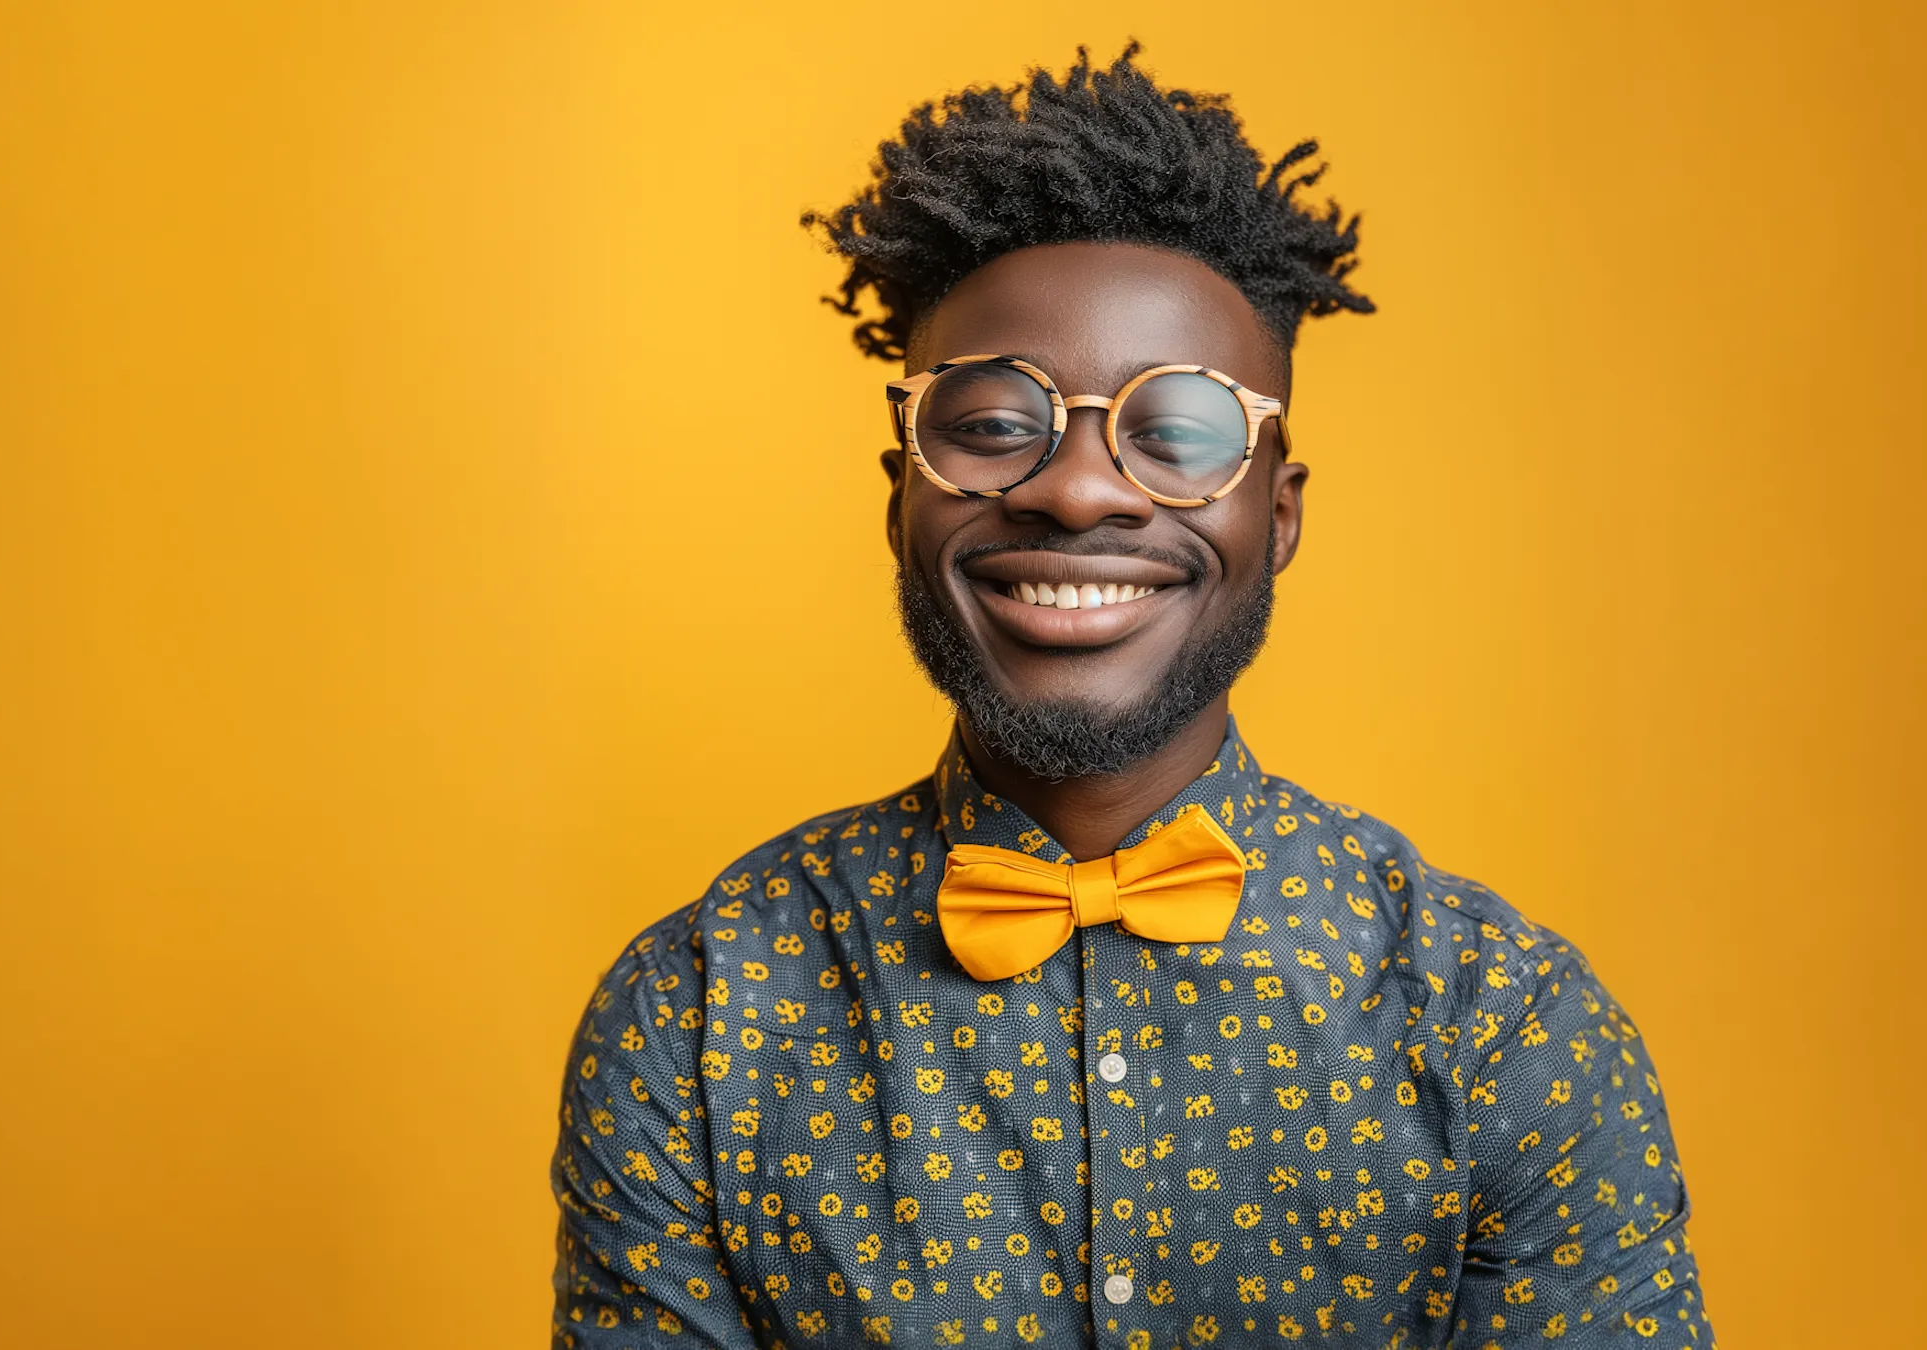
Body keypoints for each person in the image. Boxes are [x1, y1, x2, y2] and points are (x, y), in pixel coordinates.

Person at [550, 45, 1710, 1350]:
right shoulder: (698, 1020)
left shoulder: (1506, 1025)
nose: (1081, 489)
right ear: (900, 494)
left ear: (1275, 516)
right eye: (992, 421)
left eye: (1179, 430)